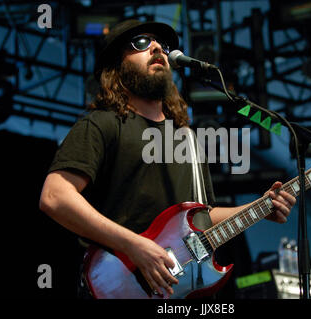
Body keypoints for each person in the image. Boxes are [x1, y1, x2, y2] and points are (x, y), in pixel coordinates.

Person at [39, 19, 296, 298]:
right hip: (116, 282)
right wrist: (134, 245)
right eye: (141, 43)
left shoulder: (188, 139)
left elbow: (202, 218)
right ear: (116, 66)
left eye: (162, 45)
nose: (157, 49)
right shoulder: (101, 124)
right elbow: (55, 196)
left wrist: (259, 208)